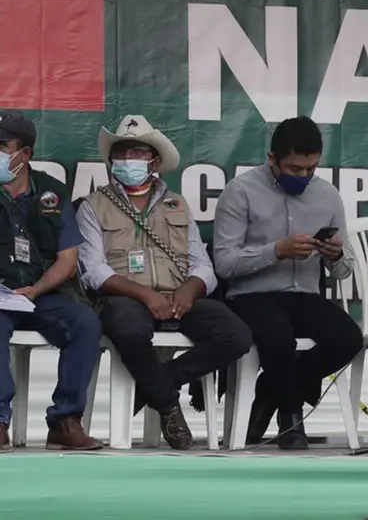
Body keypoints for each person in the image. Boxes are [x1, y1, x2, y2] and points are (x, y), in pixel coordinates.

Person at [76, 115, 253, 450]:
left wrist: (190, 290)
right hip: (125, 297)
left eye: (138, 152)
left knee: (236, 334)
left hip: (178, 296)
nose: (129, 159)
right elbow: (94, 271)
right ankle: (169, 405)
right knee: (127, 327)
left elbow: (202, 265)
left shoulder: (177, 204)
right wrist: (144, 294)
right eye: (122, 152)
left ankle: (158, 385)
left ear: (154, 161)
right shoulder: (93, 206)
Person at [213, 116, 363, 450]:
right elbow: (224, 264)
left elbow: (344, 269)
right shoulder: (241, 192)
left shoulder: (327, 195)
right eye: (295, 169)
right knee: (277, 337)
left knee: (348, 338)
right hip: (251, 295)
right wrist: (276, 251)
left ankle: (269, 392)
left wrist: (335, 256)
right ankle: (291, 418)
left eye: (311, 169)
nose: (304, 177)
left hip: (305, 295)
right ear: (272, 160)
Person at [0, 111, 103, 451]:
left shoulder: (53, 193)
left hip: (38, 291)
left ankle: (65, 421)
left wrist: (36, 289)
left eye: (2, 145)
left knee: (85, 322)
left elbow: (68, 260)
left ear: (24, 154)